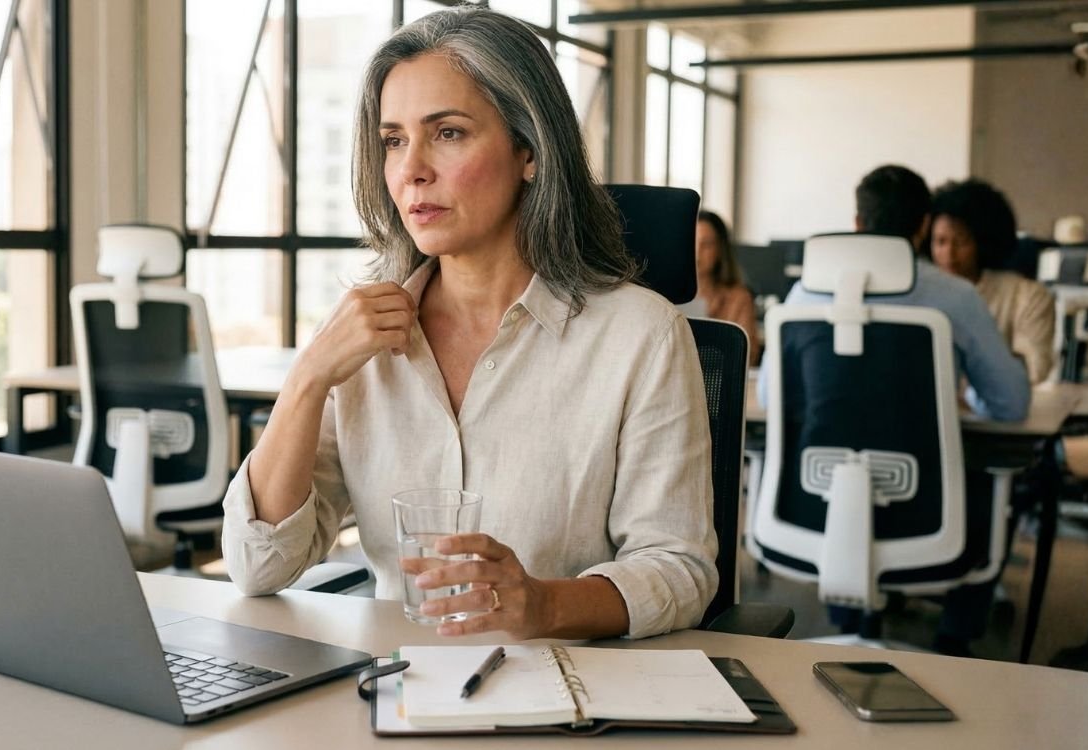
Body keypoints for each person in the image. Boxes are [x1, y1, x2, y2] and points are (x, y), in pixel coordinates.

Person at [221, 7, 718, 642]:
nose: (410, 170)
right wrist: (309, 377)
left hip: (564, 700)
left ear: (529, 152)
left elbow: (680, 569)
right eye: (393, 140)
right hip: (394, 698)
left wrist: (543, 604)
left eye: (448, 133)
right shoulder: (361, 340)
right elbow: (258, 565)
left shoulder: (639, 335)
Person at [758, 164, 1030, 656]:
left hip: (811, 508)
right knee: (990, 472)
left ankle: (851, 623)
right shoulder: (956, 297)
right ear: (924, 226)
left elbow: (768, 399)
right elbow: (1011, 404)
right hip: (926, 515)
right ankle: (954, 641)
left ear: (857, 222)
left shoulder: (804, 294)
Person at [929, 178, 1056, 385]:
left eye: (961, 241)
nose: (949, 254)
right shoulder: (923, 293)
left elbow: (1035, 369)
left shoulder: (1025, 296)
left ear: (983, 241)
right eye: (940, 241)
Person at [693, 210, 759, 365]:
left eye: (706, 245)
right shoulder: (668, 295)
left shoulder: (739, 297)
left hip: (720, 380)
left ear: (720, 250)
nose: (697, 252)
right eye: (692, 242)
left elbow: (749, 355)